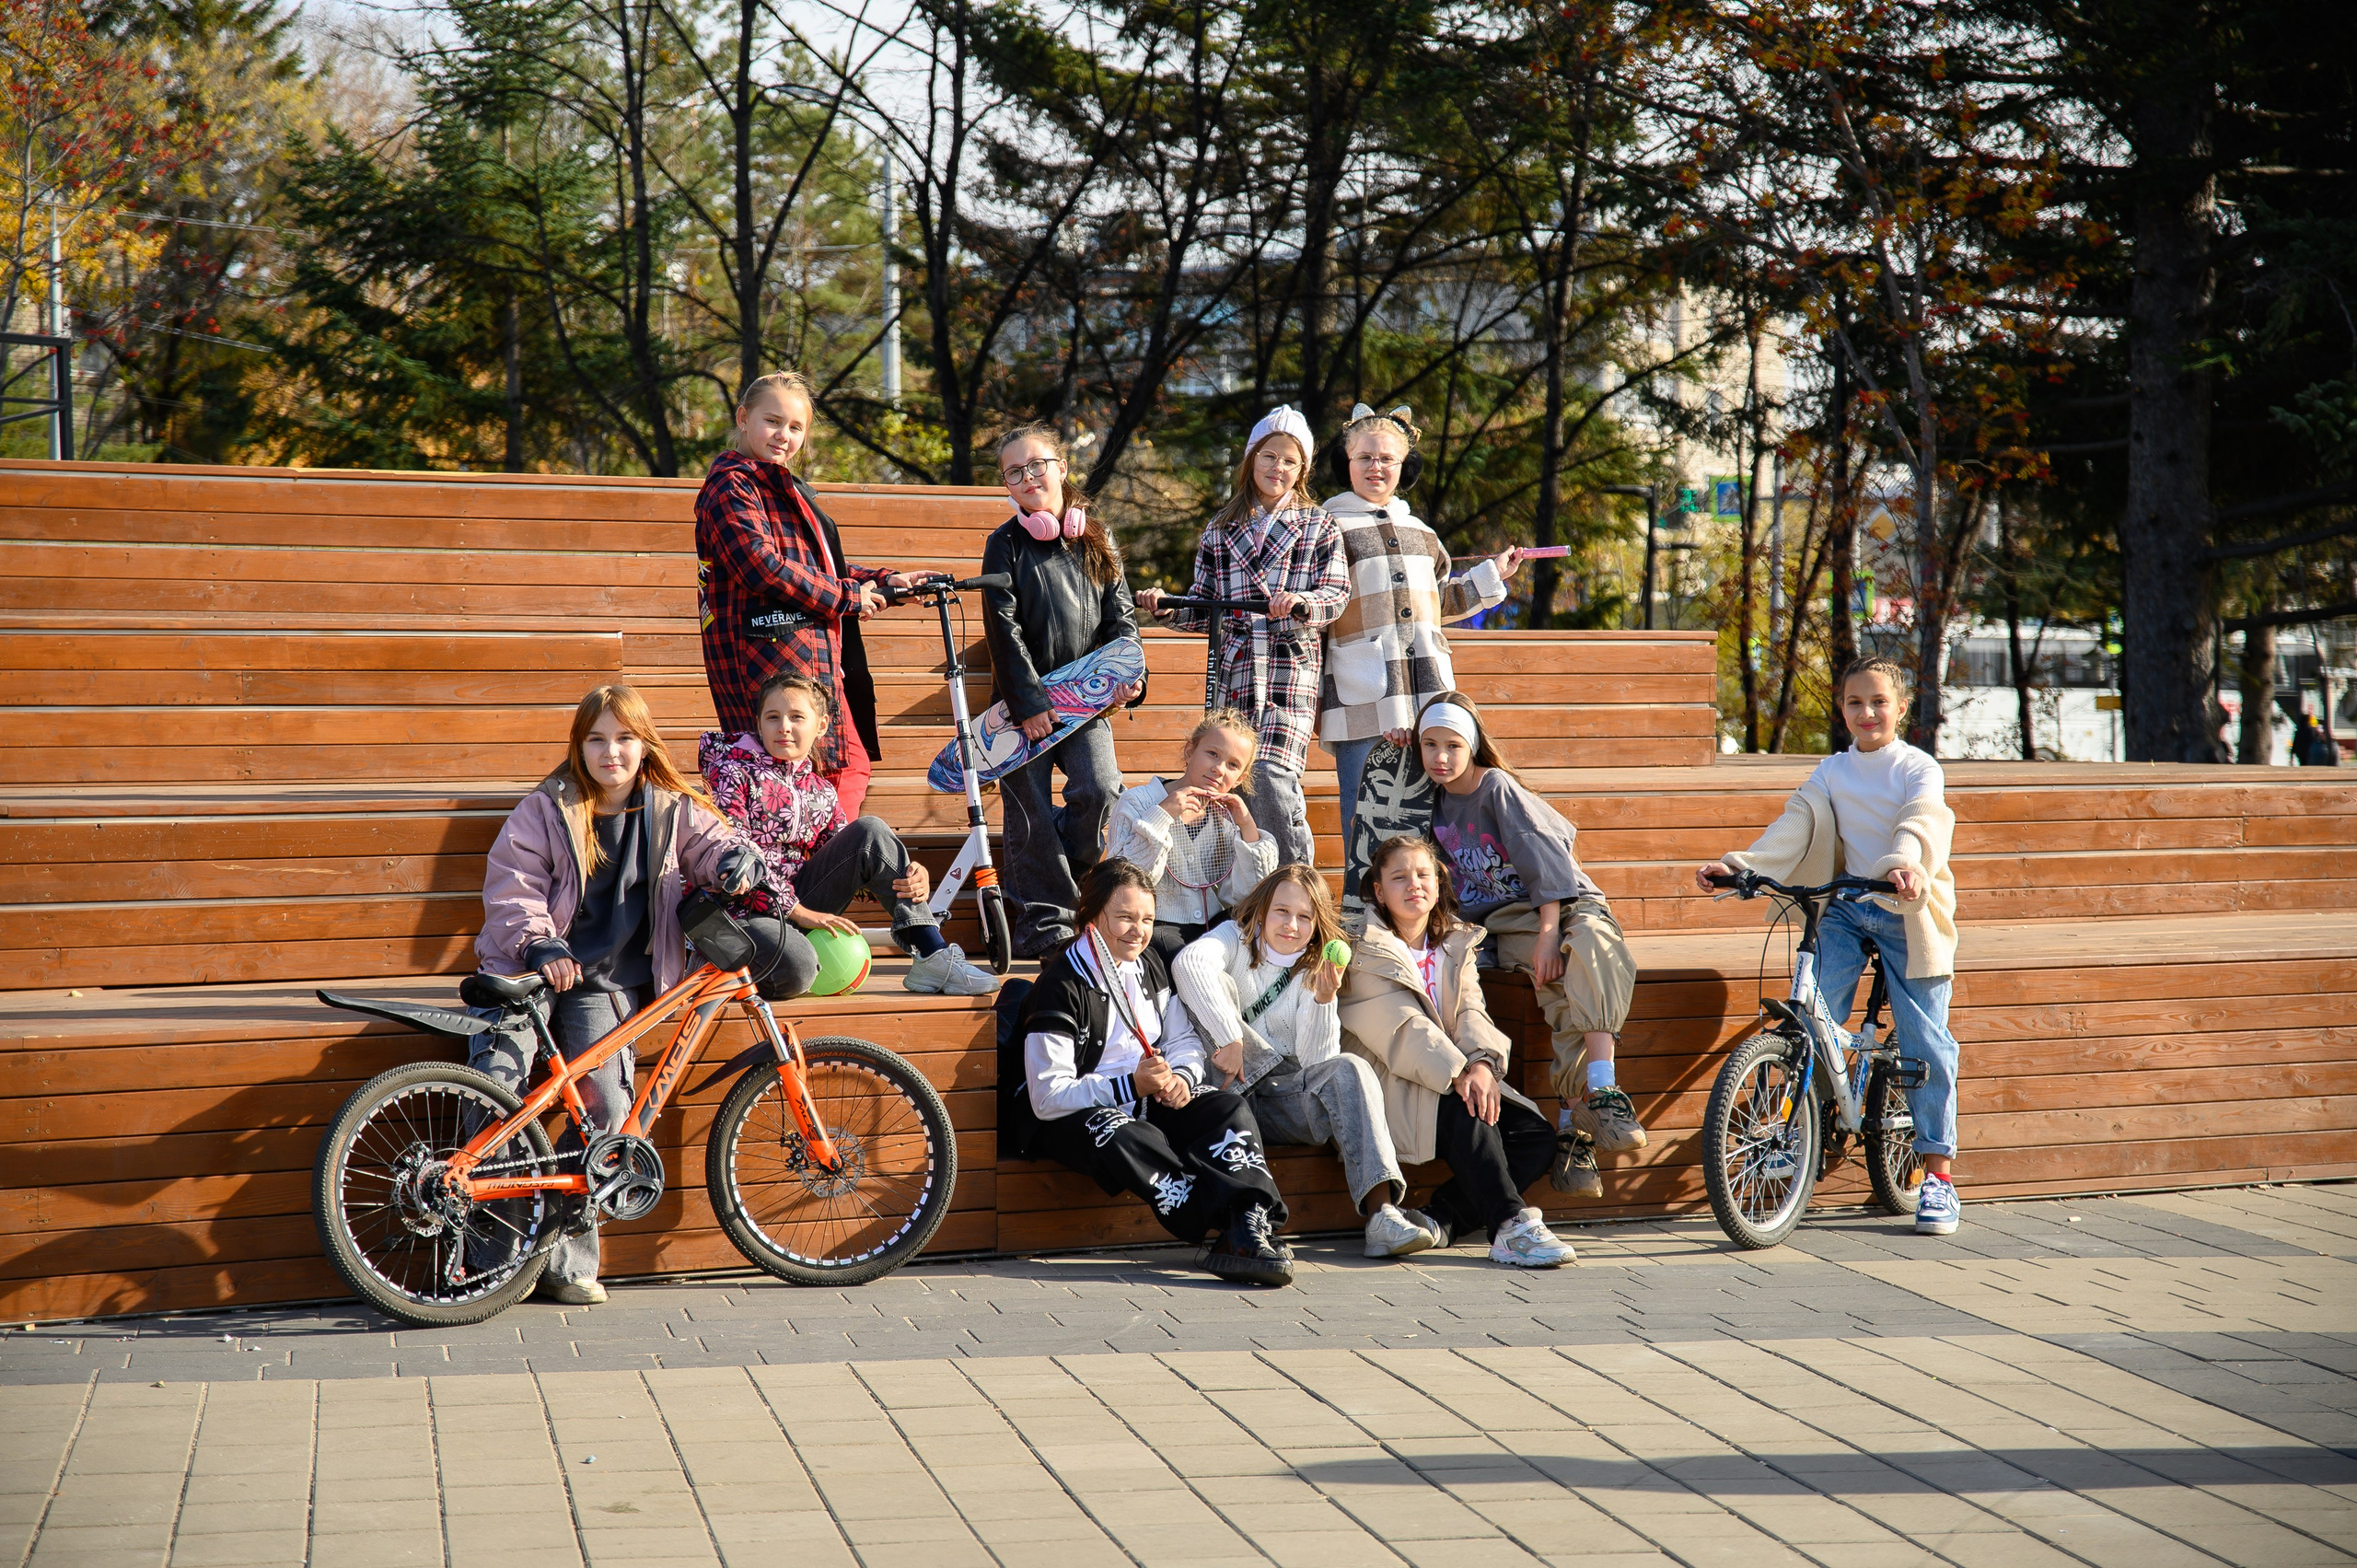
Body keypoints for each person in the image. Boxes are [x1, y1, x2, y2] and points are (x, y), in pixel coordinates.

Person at [476, 683, 766, 1304]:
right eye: (598, 739)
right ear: (579, 747)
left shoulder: (668, 808)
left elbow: (713, 845)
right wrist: (540, 943)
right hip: (531, 969)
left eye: (626, 738)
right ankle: (488, 1262)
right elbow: (513, 884)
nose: (613, 751)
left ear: (644, 745)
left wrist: (736, 863)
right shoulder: (547, 808)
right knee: (495, 1088)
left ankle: (567, 1262)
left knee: (607, 1109)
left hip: (603, 984)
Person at [1694, 655, 1966, 1236]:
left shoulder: (1918, 767)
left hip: (1906, 908)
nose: (1866, 713)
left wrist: (1905, 865)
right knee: (1808, 1016)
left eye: (1878, 702)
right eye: (1853, 703)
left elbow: (1919, 822)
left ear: (1900, 708)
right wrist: (1740, 867)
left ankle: (1938, 1177)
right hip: (1846, 907)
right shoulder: (1832, 771)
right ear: (1841, 708)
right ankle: (1798, 1132)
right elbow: (1796, 822)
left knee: (1925, 1039)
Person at [1008, 860, 1295, 1286]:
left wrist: (1181, 1077)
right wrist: (1130, 1084)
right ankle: (1230, 1229)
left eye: (1146, 919)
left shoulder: (1149, 965)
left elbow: (1182, 1041)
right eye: (1124, 917)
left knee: (1226, 1108)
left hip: (1145, 1099)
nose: (1138, 931)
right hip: (1071, 1120)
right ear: (1091, 917)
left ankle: (1248, 1223)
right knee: (1126, 1133)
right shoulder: (1062, 983)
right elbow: (1047, 1096)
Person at [1416, 691, 1642, 1202]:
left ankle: (1601, 1090)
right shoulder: (1431, 798)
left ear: (1472, 745)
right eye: (1429, 745)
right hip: (1506, 922)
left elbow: (1547, 860)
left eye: (1452, 745)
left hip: (1563, 905)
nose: (1441, 758)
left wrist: (1547, 935)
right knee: (1555, 987)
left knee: (1590, 948)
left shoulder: (1495, 787)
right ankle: (1572, 1129)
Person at [1171, 865, 1433, 1259]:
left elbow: (1318, 1066)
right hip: (1226, 1091)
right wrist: (1231, 1037)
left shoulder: (1315, 968)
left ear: (1316, 924)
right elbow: (1187, 964)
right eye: (1282, 911)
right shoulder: (1234, 938)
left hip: (1281, 1100)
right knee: (1215, 981)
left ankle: (1382, 1216)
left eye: (1305, 916)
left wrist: (1325, 1000)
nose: (1291, 925)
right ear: (1262, 911)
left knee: (1351, 1067)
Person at [1340, 835, 1574, 1267]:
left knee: (1535, 1138)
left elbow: (1471, 1010)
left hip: (1454, 1073)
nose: (1414, 885)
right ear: (1378, 890)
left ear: (1438, 881)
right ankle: (1510, 1225)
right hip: (1397, 1080)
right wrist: (1461, 1072)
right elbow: (1401, 1028)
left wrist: (1483, 1062)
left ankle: (1439, 1221)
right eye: (1399, 877)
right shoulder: (1361, 949)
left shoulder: (1454, 943)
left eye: (1423, 874)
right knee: (1471, 1108)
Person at [702, 670, 1000, 996]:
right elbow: (736, 852)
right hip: (740, 911)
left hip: (796, 903)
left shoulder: (821, 790)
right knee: (798, 970)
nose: (784, 727)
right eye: (772, 717)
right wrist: (797, 911)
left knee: (870, 831)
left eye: (797, 717)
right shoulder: (732, 773)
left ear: (822, 725)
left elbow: (857, 859)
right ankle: (719, 964)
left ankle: (932, 954)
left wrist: (909, 874)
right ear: (759, 724)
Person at [1137, 406, 1348, 867]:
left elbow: (1336, 593)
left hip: (1285, 675)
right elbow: (1202, 605)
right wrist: (1166, 606)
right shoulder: (1221, 527)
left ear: (1303, 469)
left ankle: (1298, 887)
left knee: (1272, 780)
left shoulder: (1319, 525)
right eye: (1270, 456)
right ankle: (1244, 901)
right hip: (1233, 676)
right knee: (1227, 789)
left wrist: (1301, 603)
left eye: (1290, 461)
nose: (1279, 468)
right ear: (1252, 459)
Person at [695, 369, 908, 818]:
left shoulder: (780, 486)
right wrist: (848, 597)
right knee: (803, 778)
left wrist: (887, 581)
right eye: (773, 421)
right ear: (743, 417)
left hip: (808, 659)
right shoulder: (731, 486)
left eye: (796, 428)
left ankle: (817, 872)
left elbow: (818, 567)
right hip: (767, 663)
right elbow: (762, 567)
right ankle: (819, 875)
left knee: (835, 771)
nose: (783, 436)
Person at [1317, 403, 1525, 846]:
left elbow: (1440, 601)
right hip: (1363, 697)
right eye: (1365, 458)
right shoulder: (1324, 527)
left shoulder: (1423, 532)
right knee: (1365, 822)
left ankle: (1429, 913)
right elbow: (1318, 613)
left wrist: (1493, 576)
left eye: (1387, 458)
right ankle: (1363, 912)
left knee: (1432, 823)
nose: (1377, 467)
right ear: (1346, 463)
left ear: (1403, 464)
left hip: (1429, 695)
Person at [980, 423, 1147, 958]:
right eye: (1015, 471)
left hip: (1088, 702)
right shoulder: (1002, 545)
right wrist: (1030, 703)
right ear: (1007, 484)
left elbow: (1122, 620)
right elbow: (1002, 632)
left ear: (1062, 467)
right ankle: (1043, 926)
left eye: (1038, 465)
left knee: (1099, 789)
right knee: (1028, 809)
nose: (1029, 477)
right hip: (1020, 705)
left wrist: (1127, 678)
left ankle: (1071, 882)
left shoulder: (1097, 536)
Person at [1103, 711, 1278, 965]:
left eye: (1233, 765)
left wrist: (1247, 826)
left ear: (1240, 778)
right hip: (1155, 928)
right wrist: (1163, 814)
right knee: (1187, 962)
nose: (1219, 769)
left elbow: (1246, 896)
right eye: (1212, 754)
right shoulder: (1138, 802)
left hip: (1214, 927)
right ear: (1189, 752)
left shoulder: (1228, 818)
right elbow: (1122, 881)